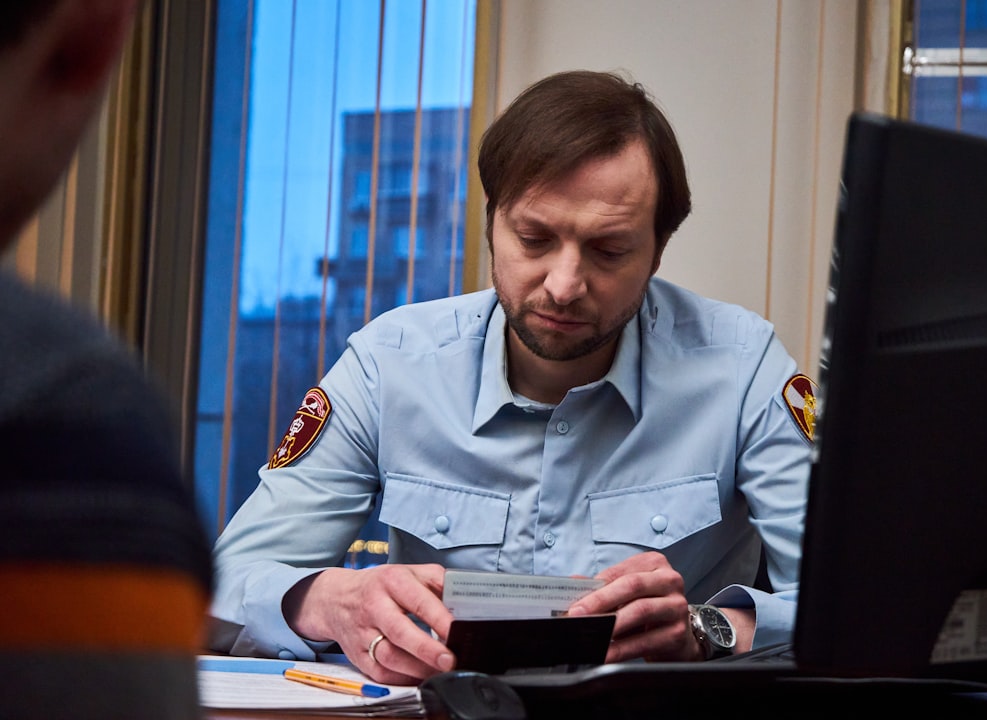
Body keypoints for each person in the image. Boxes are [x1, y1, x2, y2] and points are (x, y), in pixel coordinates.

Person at [210, 69, 814, 686]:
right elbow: (221, 587)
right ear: (492, 223)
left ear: (657, 252)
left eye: (608, 251)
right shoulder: (389, 364)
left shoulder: (742, 367)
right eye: (533, 238)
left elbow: (863, 613)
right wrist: (328, 601)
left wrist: (705, 630)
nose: (563, 284)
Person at [0, 2, 212, 717]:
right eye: (532, 238)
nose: (563, 283)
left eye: (587, 247)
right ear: (97, 37)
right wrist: (313, 594)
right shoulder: (61, 410)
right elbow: (252, 561)